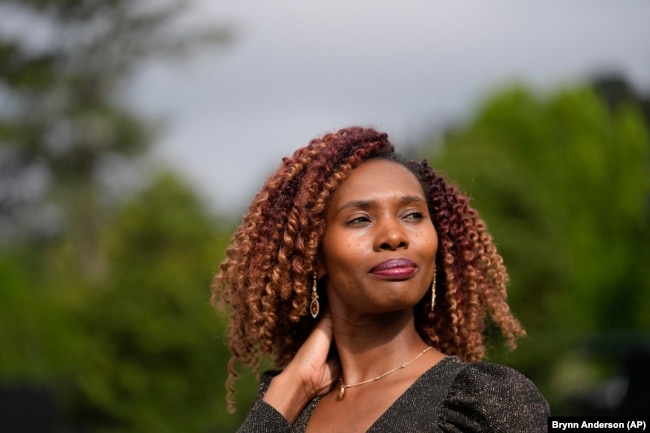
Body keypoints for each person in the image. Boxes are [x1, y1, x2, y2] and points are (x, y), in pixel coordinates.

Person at [211, 126, 550, 432]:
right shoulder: (289, 410)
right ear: (314, 258)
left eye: (413, 215)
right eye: (359, 219)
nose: (394, 235)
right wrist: (287, 393)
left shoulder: (484, 402)